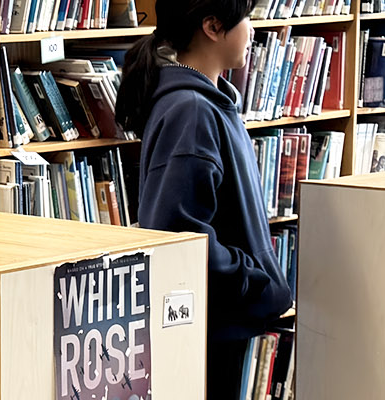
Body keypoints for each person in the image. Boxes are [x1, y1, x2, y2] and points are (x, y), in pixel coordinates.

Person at [113, 0, 292, 396]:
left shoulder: (211, 102)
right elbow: (178, 235)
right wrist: (252, 278)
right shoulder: (191, 111)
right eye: (245, 19)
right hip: (213, 331)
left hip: (223, 324)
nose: (252, 30)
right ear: (212, 27)